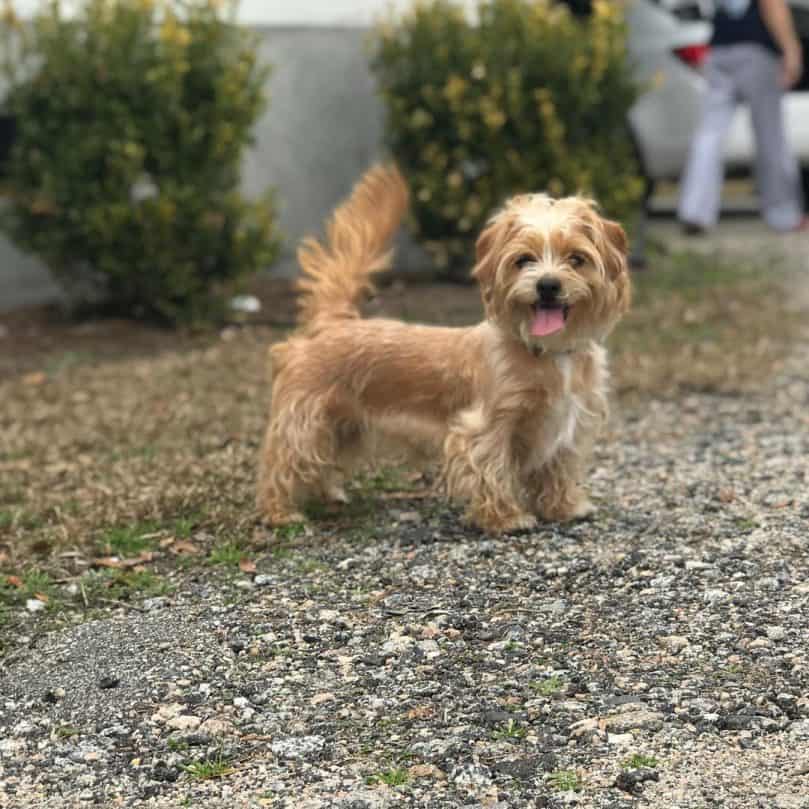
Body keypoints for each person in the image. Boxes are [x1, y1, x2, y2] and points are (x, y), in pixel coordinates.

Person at [678, 0, 809, 233]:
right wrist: (791, 49)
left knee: (709, 135)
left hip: (719, 50)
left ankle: (694, 210)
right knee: (771, 137)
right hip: (757, 50)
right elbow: (772, 5)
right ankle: (784, 214)